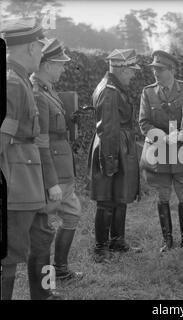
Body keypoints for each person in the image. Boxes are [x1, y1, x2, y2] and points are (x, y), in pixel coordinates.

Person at [0, 18, 61, 300]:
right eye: (39, 47)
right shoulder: (12, 83)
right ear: (29, 49)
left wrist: (48, 182)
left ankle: (44, 295)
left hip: (31, 182)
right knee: (8, 256)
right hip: (15, 185)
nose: (41, 53)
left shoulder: (21, 79)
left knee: (42, 241)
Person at [139, 50, 183, 252]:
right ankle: (167, 241)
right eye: (154, 69)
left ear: (172, 70)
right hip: (160, 152)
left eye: (160, 69)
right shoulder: (148, 92)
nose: (155, 73)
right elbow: (144, 122)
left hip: (182, 150)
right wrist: (160, 136)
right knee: (163, 196)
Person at [30, 38, 83, 281]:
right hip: (52, 168)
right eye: (60, 64)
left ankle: (59, 270)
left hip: (61, 164)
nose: (63, 69)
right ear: (48, 64)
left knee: (68, 215)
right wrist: (50, 180)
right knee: (44, 228)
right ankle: (53, 275)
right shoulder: (38, 93)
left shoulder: (48, 89)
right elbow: (40, 141)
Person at [88, 49, 142, 263]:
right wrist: (110, 162)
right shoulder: (110, 91)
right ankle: (101, 249)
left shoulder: (114, 87)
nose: (133, 75)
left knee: (119, 196)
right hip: (112, 147)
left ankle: (117, 242)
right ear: (120, 69)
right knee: (107, 199)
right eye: (130, 71)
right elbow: (108, 129)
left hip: (118, 145)